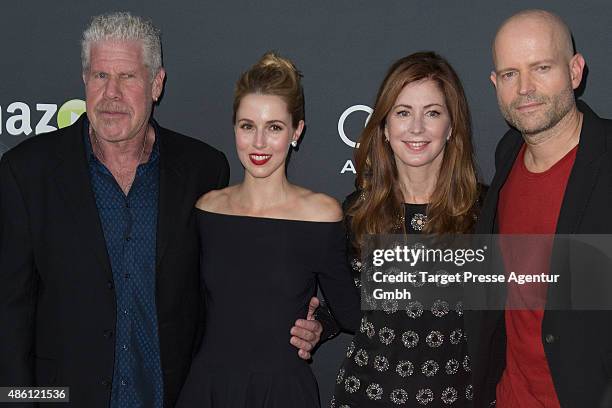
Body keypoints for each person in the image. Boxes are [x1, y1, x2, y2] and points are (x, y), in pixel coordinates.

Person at [0, 12, 319, 408]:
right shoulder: (28, 172)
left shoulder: (204, 170)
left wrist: (306, 320)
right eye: (100, 76)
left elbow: (226, 286)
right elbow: (8, 316)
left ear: (156, 84)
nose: (111, 94)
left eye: (127, 77)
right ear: (84, 80)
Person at [175, 52, 361, 408]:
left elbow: (351, 311)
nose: (259, 142)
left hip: (283, 393)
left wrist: (320, 325)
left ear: (296, 131)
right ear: (234, 129)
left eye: (274, 127)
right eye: (248, 126)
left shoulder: (320, 215)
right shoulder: (207, 209)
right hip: (208, 389)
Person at [464, 9, 612, 408]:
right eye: (510, 74)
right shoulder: (507, 154)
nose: (525, 88)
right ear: (495, 83)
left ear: (575, 71)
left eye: (541, 67)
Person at [331, 52, 483, 407]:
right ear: (384, 126)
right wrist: (318, 323)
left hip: (458, 397)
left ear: (451, 126)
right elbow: (349, 306)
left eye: (432, 113)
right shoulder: (357, 211)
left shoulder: (485, 212)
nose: (416, 128)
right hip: (366, 394)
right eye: (403, 112)